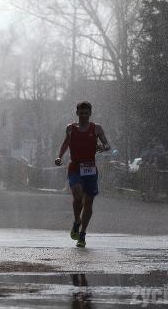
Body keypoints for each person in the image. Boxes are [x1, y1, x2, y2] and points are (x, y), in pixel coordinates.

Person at [55, 101, 110, 248]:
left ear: (90, 114)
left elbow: (107, 144)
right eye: (81, 113)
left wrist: (103, 147)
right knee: (78, 195)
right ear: (77, 113)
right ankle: (76, 221)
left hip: (90, 169)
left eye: (86, 113)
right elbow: (65, 143)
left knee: (88, 203)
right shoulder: (71, 128)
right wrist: (59, 156)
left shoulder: (97, 128)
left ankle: (82, 234)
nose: (84, 115)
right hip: (75, 168)